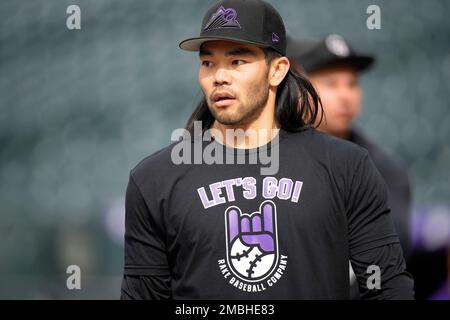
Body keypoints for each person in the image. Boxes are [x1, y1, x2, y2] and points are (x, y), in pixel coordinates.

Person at [120, 0, 414, 299]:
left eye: (237, 61)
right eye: (208, 62)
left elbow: (389, 288)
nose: (219, 76)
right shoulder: (155, 180)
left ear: (277, 70)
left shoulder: (346, 167)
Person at [287, 34, 413, 298]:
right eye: (331, 83)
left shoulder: (384, 171)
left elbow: (384, 271)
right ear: (298, 87)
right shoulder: (268, 156)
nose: (345, 96)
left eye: (352, 84)